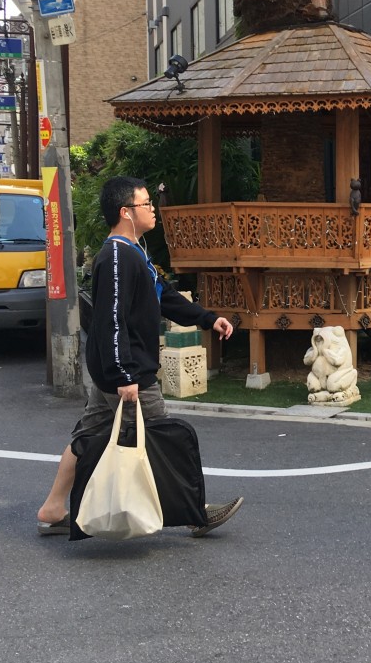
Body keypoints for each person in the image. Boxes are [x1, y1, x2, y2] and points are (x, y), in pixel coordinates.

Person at [36, 176, 243, 538]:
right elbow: (111, 320)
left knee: (89, 435)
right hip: (127, 374)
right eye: (145, 203)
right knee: (164, 438)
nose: (152, 209)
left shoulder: (133, 252)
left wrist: (208, 319)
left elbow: (165, 296)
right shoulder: (117, 257)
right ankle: (195, 514)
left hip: (113, 372)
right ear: (125, 212)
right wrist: (124, 375)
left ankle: (53, 508)